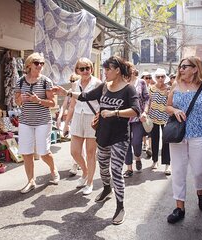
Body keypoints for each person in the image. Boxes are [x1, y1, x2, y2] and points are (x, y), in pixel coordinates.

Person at [54, 55, 140, 225]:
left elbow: (136, 111)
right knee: (103, 167)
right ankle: (107, 189)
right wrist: (68, 93)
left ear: (117, 70)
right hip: (103, 134)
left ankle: (120, 207)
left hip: (119, 136)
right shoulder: (104, 87)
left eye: (108, 69)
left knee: (116, 170)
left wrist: (115, 112)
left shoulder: (129, 89)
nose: (105, 72)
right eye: (104, 69)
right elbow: (86, 96)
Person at [166, 56, 202, 224]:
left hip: (200, 134)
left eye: (185, 66)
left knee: (199, 170)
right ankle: (179, 207)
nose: (180, 69)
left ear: (195, 68)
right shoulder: (175, 86)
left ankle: (200, 192)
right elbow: (167, 107)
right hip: (178, 135)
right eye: (180, 66)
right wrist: (174, 110)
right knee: (178, 171)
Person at [15, 52, 60, 194]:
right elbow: (16, 101)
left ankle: (53, 170)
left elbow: (53, 103)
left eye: (42, 63)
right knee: (26, 152)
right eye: (37, 63)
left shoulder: (46, 81)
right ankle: (31, 181)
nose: (40, 65)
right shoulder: (20, 81)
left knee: (43, 151)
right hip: (25, 121)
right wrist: (21, 99)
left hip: (42, 120)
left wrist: (38, 100)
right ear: (29, 65)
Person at [62, 58, 102, 195]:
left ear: (91, 68)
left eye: (88, 68)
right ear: (77, 70)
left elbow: (102, 103)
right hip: (78, 117)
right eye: (82, 68)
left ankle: (90, 182)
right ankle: (85, 171)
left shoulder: (98, 83)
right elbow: (72, 106)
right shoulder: (75, 85)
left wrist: (100, 115)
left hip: (92, 118)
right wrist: (66, 124)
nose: (85, 71)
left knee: (91, 153)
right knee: (74, 152)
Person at [123, 68, 150, 178]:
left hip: (138, 118)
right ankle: (129, 168)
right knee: (126, 144)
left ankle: (138, 157)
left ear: (133, 71)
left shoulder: (142, 82)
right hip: (124, 118)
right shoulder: (122, 83)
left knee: (136, 142)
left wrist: (145, 112)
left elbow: (147, 99)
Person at [56, 73, 80, 177]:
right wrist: (59, 117)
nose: (72, 83)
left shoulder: (81, 92)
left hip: (81, 120)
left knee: (81, 145)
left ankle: (78, 163)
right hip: (72, 120)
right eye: (71, 81)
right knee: (75, 144)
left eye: (74, 81)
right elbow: (64, 106)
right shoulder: (69, 92)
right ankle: (77, 163)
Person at [147, 68, 171, 175]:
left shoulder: (169, 89)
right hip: (153, 117)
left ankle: (167, 165)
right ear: (155, 78)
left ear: (165, 78)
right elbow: (149, 101)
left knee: (166, 141)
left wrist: (168, 95)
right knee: (155, 140)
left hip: (166, 118)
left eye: (162, 76)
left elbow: (171, 103)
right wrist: (146, 112)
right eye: (158, 77)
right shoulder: (151, 88)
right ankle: (155, 161)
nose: (160, 79)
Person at [140, 72, 153, 157]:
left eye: (149, 77)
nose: (148, 79)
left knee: (150, 130)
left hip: (151, 112)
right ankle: (144, 144)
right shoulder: (139, 88)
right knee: (143, 131)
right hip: (142, 112)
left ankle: (149, 147)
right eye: (146, 78)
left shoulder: (152, 88)